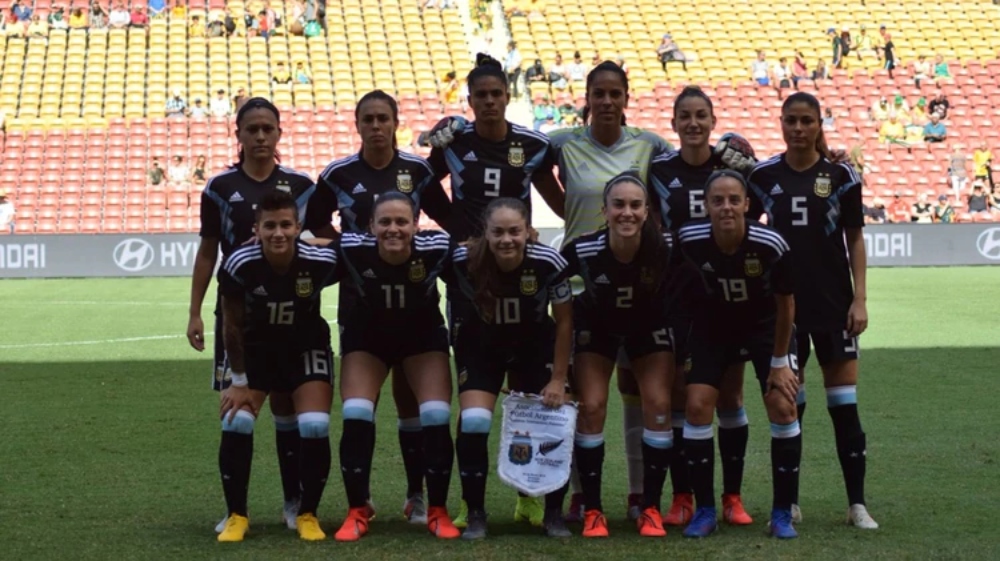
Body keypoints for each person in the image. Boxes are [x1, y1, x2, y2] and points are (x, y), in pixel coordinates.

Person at [423, 52, 564, 529]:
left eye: (496, 94)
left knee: (530, 408)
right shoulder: (454, 142)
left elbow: (557, 196)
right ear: (470, 100)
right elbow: (422, 187)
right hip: (474, 272)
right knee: (476, 408)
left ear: (508, 97)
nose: (488, 102)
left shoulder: (533, 145)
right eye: (480, 95)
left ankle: (530, 496)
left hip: (519, 262)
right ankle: (471, 505)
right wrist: (459, 229)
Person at [304, 89, 451, 524]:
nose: (375, 126)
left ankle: (416, 495)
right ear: (357, 125)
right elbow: (314, 221)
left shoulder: (418, 171)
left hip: (414, 300)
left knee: (413, 405)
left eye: (382, 118)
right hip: (361, 301)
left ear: (394, 122)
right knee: (360, 405)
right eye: (367, 119)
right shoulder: (338, 174)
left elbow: (450, 219)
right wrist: (349, 254)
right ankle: (361, 500)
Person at [186, 98, 318, 535]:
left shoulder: (302, 186)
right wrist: (195, 312)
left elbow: (320, 238)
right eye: (252, 129)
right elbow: (208, 250)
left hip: (295, 319)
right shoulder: (220, 187)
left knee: (288, 410)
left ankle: (293, 502)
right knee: (236, 409)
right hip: (241, 321)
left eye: (268, 129)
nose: (260, 136)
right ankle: (235, 510)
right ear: (237, 134)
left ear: (279, 133)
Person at [748, 92, 879, 530]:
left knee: (844, 406)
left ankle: (857, 504)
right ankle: (791, 502)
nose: (799, 128)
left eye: (807, 121)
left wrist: (859, 298)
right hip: (782, 311)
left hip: (833, 306)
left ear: (820, 123)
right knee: (791, 405)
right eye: (791, 120)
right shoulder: (762, 177)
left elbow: (855, 239)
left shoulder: (841, 175)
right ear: (781, 123)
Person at [648, 86, 760, 528]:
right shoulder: (657, 170)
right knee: (681, 394)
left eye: (701, 116)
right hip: (678, 295)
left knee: (730, 394)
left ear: (714, 122)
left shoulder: (732, 166)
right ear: (673, 124)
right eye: (685, 116)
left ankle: (732, 497)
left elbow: (760, 211)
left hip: (727, 296)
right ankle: (684, 496)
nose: (693, 123)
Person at [324, 193, 461, 541]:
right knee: (355, 412)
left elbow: (477, 253)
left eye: (402, 221)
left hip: (422, 338)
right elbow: (309, 248)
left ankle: (436, 509)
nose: (393, 229)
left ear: (417, 224)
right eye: (384, 222)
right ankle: (357, 509)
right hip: (368, 338)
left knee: (435, 414)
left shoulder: (437, 246)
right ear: (370, 226)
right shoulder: (353, 246)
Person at [677, 170, 801, 539]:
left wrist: (779, 362)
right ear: (706, 206)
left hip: (766, 329)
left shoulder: (770, 243)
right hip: (713, 327)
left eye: (734, 200)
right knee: (698, 406)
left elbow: (787, 305)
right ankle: (706, 510)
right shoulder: (688, 239)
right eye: (718, 200)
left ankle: (782, 513)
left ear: (747, 204)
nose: (726, 207)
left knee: (782, 405)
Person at [561, 172, 683, 538]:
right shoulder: (583, 249)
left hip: (647, 330)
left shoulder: (666, 248)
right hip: (597, 331)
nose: (626, 213)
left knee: (659, 405)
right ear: (605, 210)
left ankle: (649, 507)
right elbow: (549, 279)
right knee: (593, 406)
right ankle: (593, 509)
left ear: (647, 211)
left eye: (634, 205)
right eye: (619, 205)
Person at [445, 197, 573, 540]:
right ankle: (473, 510)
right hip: (481, 348)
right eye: (497, 232)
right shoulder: (462, 259)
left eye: (514, 231)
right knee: (473, 421)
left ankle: (550, 511)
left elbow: (564, 322)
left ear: (528, 232)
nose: (506, 239)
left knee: (549, 421)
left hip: (534, 350)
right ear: (484, 234)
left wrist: (558, 379)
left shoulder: (548, 262)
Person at [215, 190, 337, 542]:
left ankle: (307, 513)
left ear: (299, 227)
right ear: (257, 229)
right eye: (270, 226)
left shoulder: (320, 258)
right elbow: (231, 326)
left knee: (314, 424)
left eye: (286, 225)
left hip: (305, 348)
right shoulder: (240, 262)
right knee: (236, 420)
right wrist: (238, 380)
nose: (278, 233)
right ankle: (237, 514)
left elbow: (356, 247)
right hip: (255, 353)